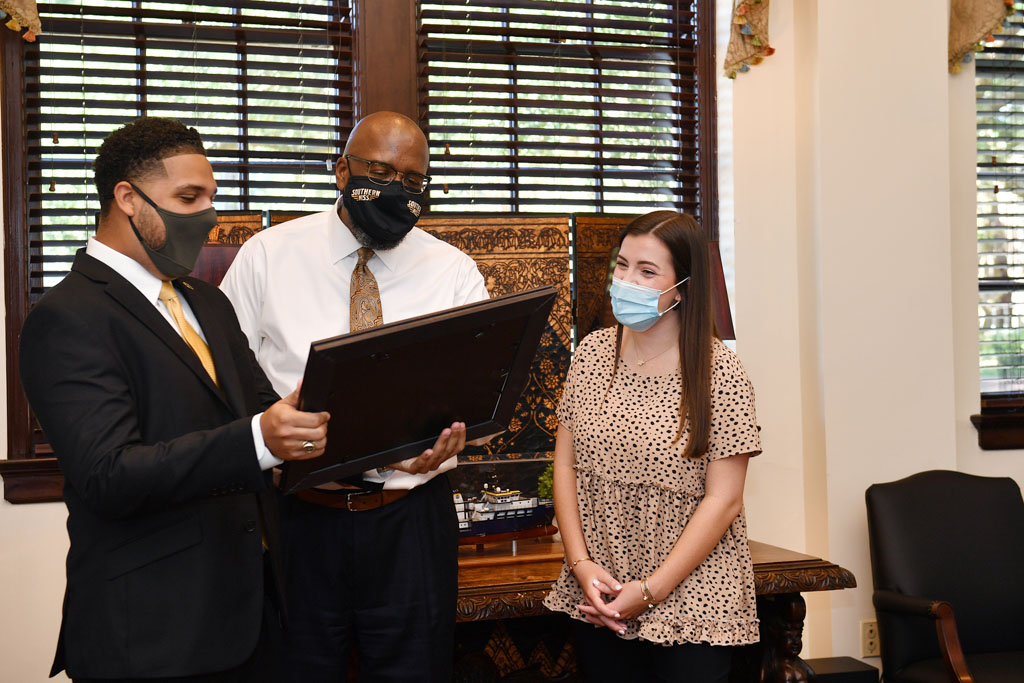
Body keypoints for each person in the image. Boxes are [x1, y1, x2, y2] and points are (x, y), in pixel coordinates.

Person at [18, 117, 330, 683]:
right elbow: (110, 474)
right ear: (127, 199)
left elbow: (266, 412)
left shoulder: (209, 304)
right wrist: (260, 439)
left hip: (253, 616)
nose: (208, 216)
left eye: (211, 197)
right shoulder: (67, 318)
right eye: (188, 197)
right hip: (151, 632)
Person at [220, 111, 489, 682]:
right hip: (300, 519)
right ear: (341, 170)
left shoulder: (454, 272)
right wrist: (268, 434)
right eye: (380, 171)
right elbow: (219, 379)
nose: (398, 190)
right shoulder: (267, 256)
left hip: (410, 517)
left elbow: (470, 389)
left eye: (413, 181)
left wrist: (450, 441)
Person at [543, 210, 762, 683]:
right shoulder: (592, 354)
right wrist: (581, 565)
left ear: (681, 287)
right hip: (601, 585)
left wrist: (651, 590)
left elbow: (724, 500)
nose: (626, 280)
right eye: (621, 265)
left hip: (693, 593)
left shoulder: (720, 372)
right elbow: (566, 467)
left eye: (646, 271)